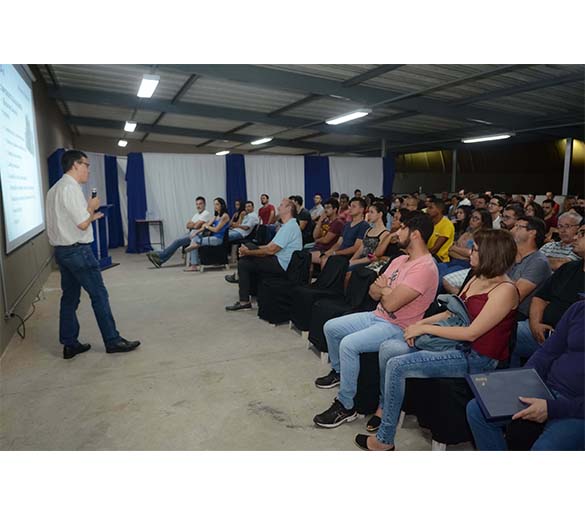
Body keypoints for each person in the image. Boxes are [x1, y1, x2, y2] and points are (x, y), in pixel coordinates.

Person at [355, 229, 519, 450]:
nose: (469, 252)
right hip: (456, 344)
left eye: (476, 250)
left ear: (491, 254)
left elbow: (472, 333)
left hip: (477, 357)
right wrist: (420, 325)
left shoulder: (505, 290)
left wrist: (425, 329)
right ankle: (384, 408)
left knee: (397, 365)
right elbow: (452, 312)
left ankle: (384, 439)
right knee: (389, 348)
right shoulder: (477, 276)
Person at [312, 213, 438, 429]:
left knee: (349, 344)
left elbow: (391, 303)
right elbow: (373, 291)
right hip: (377, 315)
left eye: (402, 229)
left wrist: (385, 289)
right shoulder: (400, 259)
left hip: (397, 326)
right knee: (331, 327)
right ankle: (341, 373)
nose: (396, 232)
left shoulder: (425, 268)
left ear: (415, 235)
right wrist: (386, 291)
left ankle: (346, 405)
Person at [45, 150, 140, 359]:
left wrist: (90, 216)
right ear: (75, 165)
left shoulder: (54, 189)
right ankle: (112, 340)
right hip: (78, 251)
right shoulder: (70, 189)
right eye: (86, 165)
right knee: (99, 295)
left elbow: (68, 222)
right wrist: (91, 208)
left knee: (69, 298)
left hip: (62, 251)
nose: (88, 169)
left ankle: (69, 343)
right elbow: (81, 223)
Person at [467, 301, 584, 451]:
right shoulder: (579, 308)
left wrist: (553, 408)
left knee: (544, 448)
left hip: (576, 408)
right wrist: (524, 381)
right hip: (547, 388)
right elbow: (548, 352)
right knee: (477, 409)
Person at [510, 225, 585, 367]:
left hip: (569, 342)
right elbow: (541, 297)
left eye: (582, 234)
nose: (575, 237)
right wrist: (535, 324)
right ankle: (507, 381)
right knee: (503, 331)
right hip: (539, 330)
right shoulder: (569, 268)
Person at [225, 198, 302, 311]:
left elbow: (271, 250)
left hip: (283, 265)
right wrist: (248, 250)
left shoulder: (290, 227)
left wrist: (248, 252)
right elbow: (268, 246)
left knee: (244, 263)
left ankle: (244, 301)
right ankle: (250, 291)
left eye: (281, 205)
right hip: (278, 259)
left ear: (289, 208)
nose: (278, 207)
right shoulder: (287, 226)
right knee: (250, 247)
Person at [146, 196, 212, 268]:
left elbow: (196, 226)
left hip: (197, 235)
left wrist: (194, 225)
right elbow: (187, 225)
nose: (198, 206)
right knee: (176, 240)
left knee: (177, 241)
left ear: (204, 204)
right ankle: (161, 258)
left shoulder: (206, 213)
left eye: (200, 204)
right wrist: (194, 224)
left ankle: (160, 256)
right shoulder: (196, 215)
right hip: (191, 232)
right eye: (197, 204)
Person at [509, 216, 552, 320]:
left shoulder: (538, 262)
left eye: (518, 227)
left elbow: (514, 297)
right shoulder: (509, 255)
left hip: (517, 315)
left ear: (532, 233)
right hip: (498, 305)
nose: (512, 230)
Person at [438, 208, 491, 285]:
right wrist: (465, 254)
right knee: (434, 269)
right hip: (453, 261)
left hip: (466, 266)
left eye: (476, 218)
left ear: (483, 222)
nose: (472, 220)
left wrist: (456, 248)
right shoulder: (466, 234)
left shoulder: (484, 237)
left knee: (441, 279)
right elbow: (450, 250)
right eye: (472, 217)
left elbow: (472, 254)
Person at [320, 197, 370, 268]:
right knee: (324, 257)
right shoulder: (347, 224)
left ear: (361, 209)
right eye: (350, 206)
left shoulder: (364, 226)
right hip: (340, 254)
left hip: (349, 256)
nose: (350, 208)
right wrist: (329, 252)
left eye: (354, 206)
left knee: (327, 260)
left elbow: (356, 248)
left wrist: (336, 253)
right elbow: (339, 243)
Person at [184, 198, 231, 272]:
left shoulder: (225, 216)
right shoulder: (216, 216)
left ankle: (194, 262)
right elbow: (206, 225)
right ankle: (195, 246)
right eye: (214, 204)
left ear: (222, 205)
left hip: (218, 240)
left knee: (195, 241)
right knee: (194, 237)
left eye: (217, 204)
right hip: (213, 237)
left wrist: (207, 226)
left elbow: (216, 229)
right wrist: (196, 232)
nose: (215, 206)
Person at [348, 202, 392, 271]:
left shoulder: (385, 233)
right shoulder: (368, 230)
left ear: (380, 214)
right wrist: (352, 260)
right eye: (368, 212)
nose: (369, 215)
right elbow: (361, 248)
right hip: (361, 259)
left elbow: (374, 256)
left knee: (350, 270)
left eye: (372, 212)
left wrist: (355, 262)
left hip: (370, 262)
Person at [311, 198, 345, 265]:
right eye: (325, 208)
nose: (325, 210)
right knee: (300, 255)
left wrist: (317, 240)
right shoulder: (325, 221)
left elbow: (326, 240)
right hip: (317, 247)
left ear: (335, 209)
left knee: (305, 257)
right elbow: (315, 235)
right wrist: (320, 221)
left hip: (325, 250)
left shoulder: (338, 223)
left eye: (328, 208)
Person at [426, 199, 455, 263]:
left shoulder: (447, 224)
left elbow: (434, 249)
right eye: (427, 207)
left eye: (430, 208)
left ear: (440, 210)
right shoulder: (429, 222)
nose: (427, 210)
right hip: (428, 254)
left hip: (440, 258)